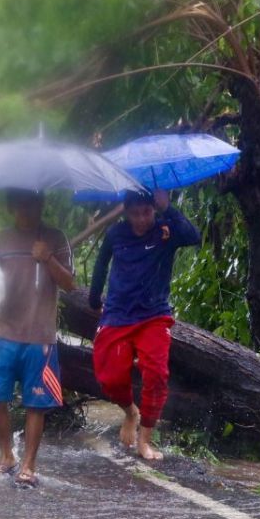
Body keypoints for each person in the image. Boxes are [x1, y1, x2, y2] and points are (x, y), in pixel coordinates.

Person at [88, 189, 200, 460]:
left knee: (156, 375)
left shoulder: (166, 230)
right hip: (117, 314)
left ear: (153, 209)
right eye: (135, 214)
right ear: (126, 213)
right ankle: (130, 412)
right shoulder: (116, 234)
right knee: (110, 377)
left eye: (147, 212)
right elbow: (101, 265)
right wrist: (94, 300)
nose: (142, 219)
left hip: (153, 315)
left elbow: (194, 236)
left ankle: (145, 439)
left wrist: (168, 208)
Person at [0, 189, 75, 488]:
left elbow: (70, 284)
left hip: (40, 335)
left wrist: (48, 258)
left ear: (41, 204)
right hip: (4, 330)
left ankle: (28, 465)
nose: (29, 207)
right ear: (12, 205)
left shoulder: (56, 238)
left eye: (34, 202)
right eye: (22, 202)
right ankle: (7, 455)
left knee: (37, 403)